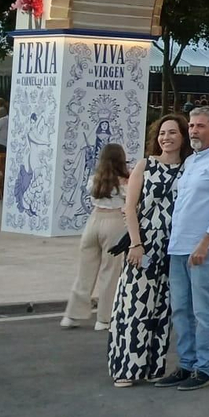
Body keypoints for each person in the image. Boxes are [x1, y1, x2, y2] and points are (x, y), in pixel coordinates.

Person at [159, 107, 209, 390]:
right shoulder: (192, 161)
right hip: (179, 246)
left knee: (204, 311)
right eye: (191, 125)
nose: (193, 130)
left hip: (205, 247)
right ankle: (186, 363)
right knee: (180, 309)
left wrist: (206, 241)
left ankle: (204, 368)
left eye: (200, 126)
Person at [108, 115, 186, 386]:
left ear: (183, 137)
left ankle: (154, 367)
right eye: (162, 133)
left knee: (162, 309)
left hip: (172, 248)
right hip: (142, 245)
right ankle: (126, 369)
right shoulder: (146, 164)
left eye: (173, 132)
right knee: (134, 306)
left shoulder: (188, 168)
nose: (166, 137)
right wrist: (136, 243)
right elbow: (130, 207)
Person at [59, 142, 129, 331]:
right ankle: (104, 319)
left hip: (93, 221)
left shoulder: (94, 180)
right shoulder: (126, 182)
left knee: (85, 271)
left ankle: (72, 315)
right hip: (115, 221)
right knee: (110, 273)